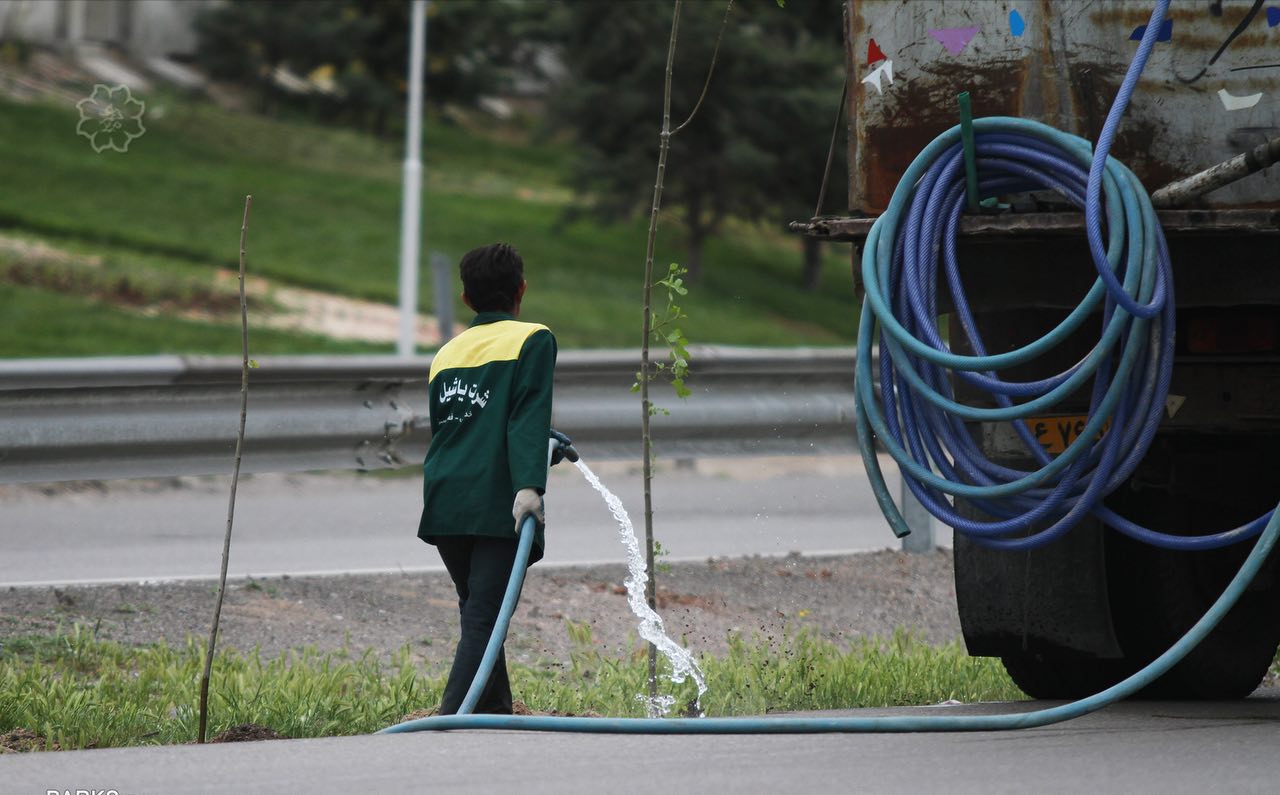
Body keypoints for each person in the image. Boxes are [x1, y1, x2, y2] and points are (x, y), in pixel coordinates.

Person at [418, 242, 563, 715]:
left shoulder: (446, 353)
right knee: (484, 616)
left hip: (444, 499)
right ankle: (449, 721)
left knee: (478, 611)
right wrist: (529, 486)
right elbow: (526, 414)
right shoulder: (533, 338)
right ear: (521, 288)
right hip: (495, 502)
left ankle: (496, 711)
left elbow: (458, 429)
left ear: (465, 298)